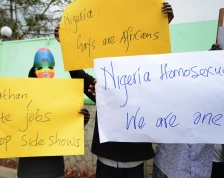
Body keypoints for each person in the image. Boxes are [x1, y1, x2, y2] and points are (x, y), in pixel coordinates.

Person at [54, 2, 174, 178]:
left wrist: (161, 23)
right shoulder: (100, 89)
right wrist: (66, 43)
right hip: (105, 163)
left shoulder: (145, 88)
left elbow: (154, 58)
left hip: (135, 164)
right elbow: (77, 73)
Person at [0, 48, 90, 178]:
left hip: (54, 171)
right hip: (28, 172)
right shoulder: (19, 104)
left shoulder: (60, 102)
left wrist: (80, 120)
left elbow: (66, 132)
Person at [153, 45, 224, 178]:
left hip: (199, 170)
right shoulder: (175, 87)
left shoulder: (223, 100)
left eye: (222, 71)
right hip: (167, 168)